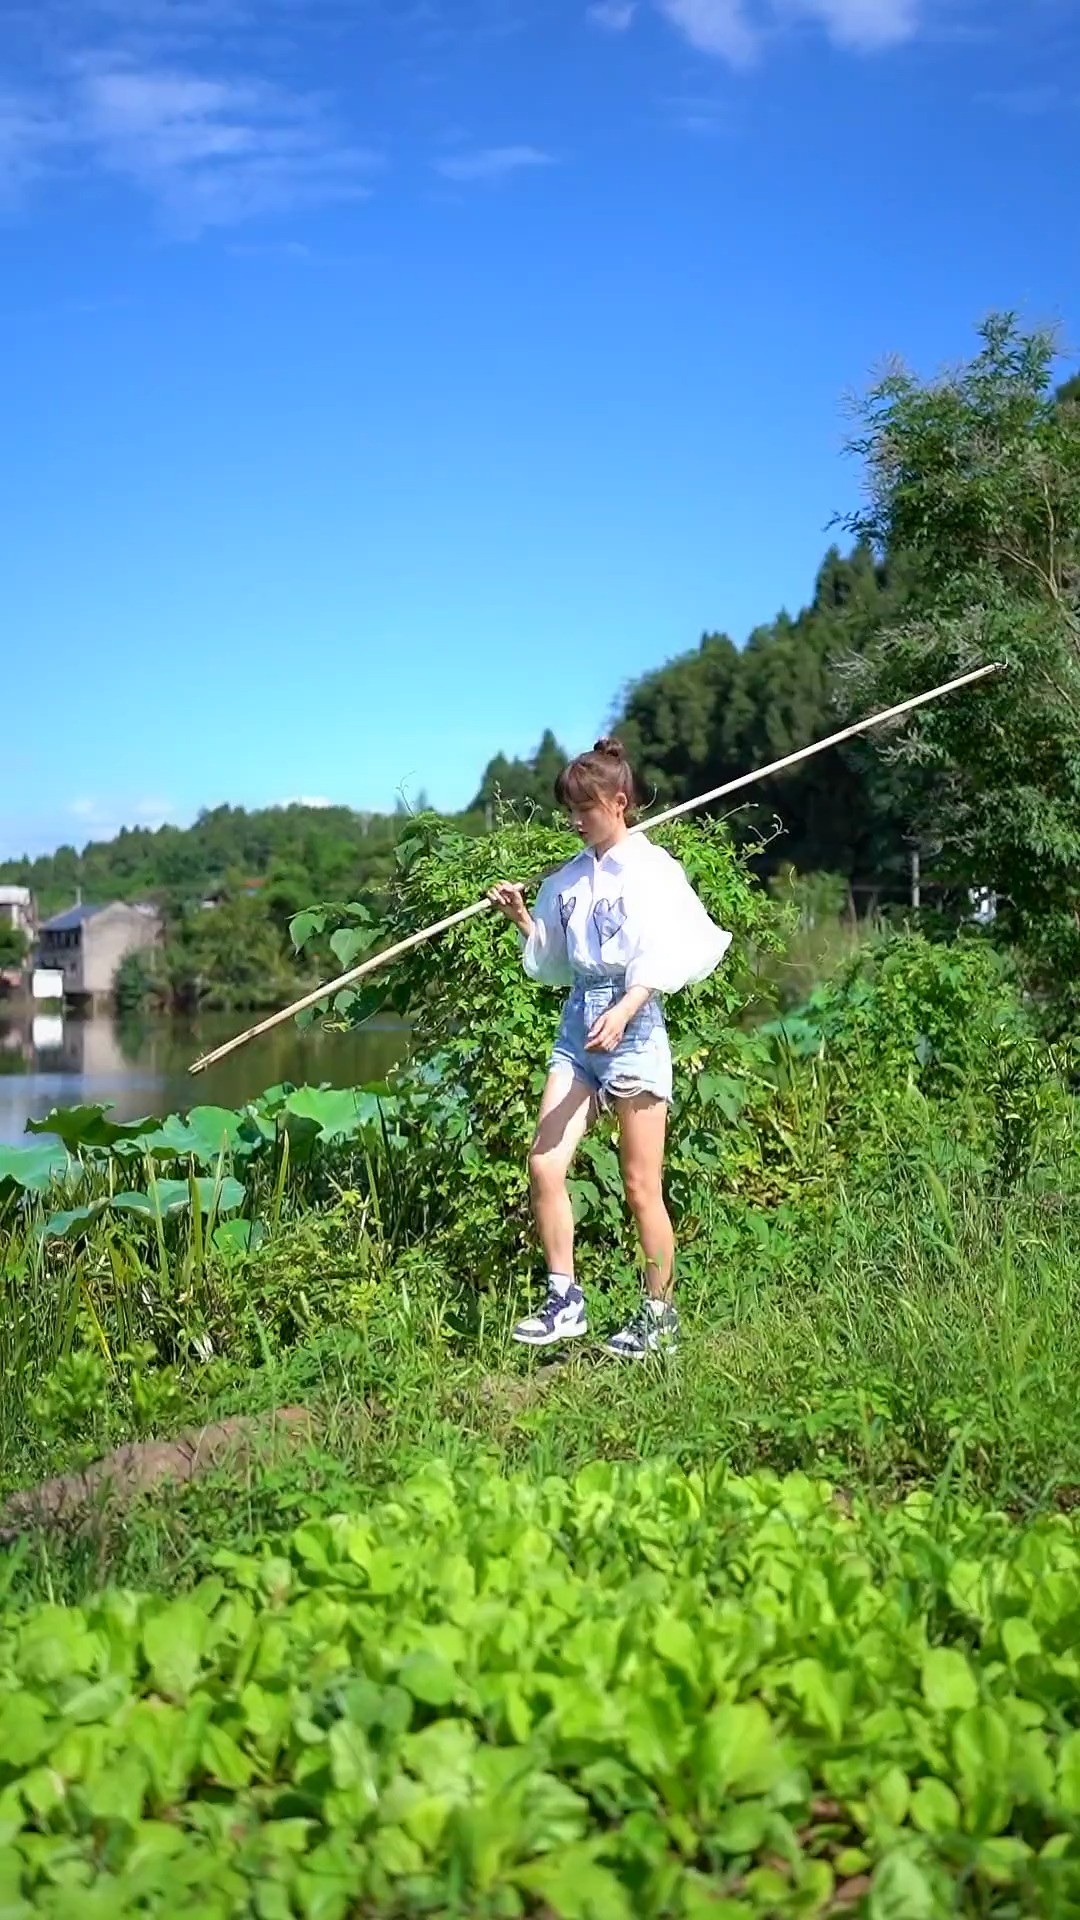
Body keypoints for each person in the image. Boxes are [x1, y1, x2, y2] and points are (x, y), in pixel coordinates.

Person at [488, 737, 732, 1359]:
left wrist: (625, 1009)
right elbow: (551, 961)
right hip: (579, 1023)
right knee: (544, 1162)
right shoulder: (568, 880)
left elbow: (671, 949)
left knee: (639, 1182)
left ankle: (659, 1316)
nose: (575, 820)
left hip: (635, 1021)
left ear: (618, 802)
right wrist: (523, 917)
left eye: (585, 808)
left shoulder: (653, 871)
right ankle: (564, 1299)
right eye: (569, 808)